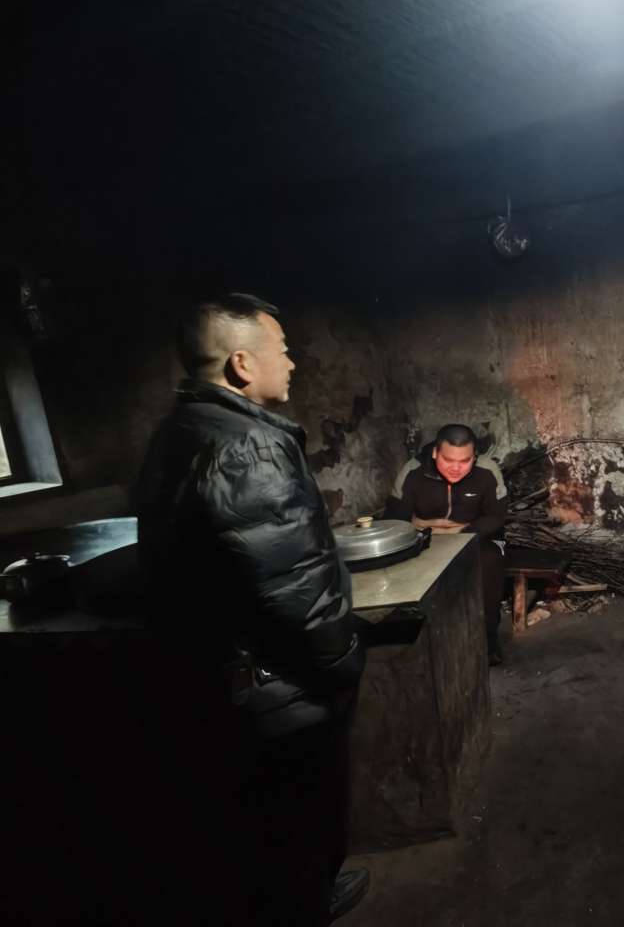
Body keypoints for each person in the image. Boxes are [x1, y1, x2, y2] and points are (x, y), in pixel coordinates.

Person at [136, 293, 369, 925]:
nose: (292, 362)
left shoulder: (177, 432)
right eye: (284, 350)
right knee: (296, 828)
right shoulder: (249, 449)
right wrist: (346, 664)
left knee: (266, 834)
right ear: (242, 364)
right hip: (274, 688)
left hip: (217, 681)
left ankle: (310, 892)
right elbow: (295, 591)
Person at [388, 423, 508, 665]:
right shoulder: (413, 471)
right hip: (423, 540)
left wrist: (456, 529)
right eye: (448, 460)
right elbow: (396, 519)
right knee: (400, 563)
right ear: (435, 453)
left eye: (465, 461)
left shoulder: (487, 470)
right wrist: (426, 530)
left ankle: (488, 639)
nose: (456, 468)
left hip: (475, 539)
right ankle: (417, 641)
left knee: (490, 561)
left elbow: (496, 517)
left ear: (474, 456)